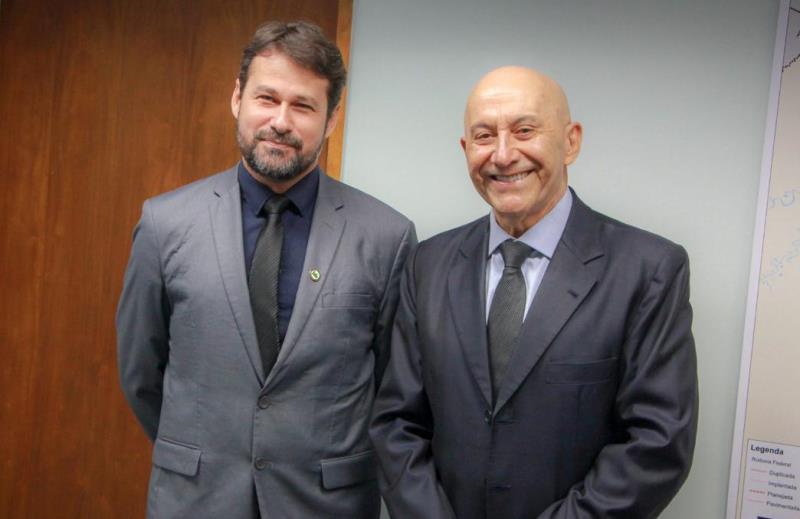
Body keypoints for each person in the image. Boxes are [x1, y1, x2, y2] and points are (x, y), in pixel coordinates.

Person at [116, 21, 415, 519]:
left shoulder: (387, 236)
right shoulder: (165, 223)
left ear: (332, 119)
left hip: (326, 504)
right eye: (266, 98)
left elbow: (392, 389)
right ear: (237, 98)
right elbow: (141, 373)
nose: (280, 121)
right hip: (198, 500)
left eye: (303, 106)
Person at [370, 66, 697, 519]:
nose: (503, 155)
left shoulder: (648, 270)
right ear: (466, 149)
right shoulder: (428, 264)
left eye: (524, 131)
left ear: (571, 141)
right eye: (484, 136)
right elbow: (396, 423)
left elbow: (656, 444)